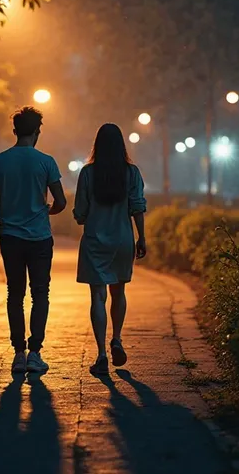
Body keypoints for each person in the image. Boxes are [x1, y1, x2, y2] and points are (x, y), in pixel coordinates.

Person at [0, 106, 66, 375]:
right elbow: (61, 202)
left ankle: (18, 353)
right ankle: (35, 353)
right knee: (40, 294)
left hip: (10, 238)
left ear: (15, 131)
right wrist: (46, 211)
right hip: (40, 238)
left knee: (14, 294)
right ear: (37, 131)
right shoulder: (47, 161)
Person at [73, 123, 147, 376]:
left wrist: (83, 215)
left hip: (95, 240)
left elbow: (80, 213)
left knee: (98, 297)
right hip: (123, 239)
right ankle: (117, 338)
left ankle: (102, 354)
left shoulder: (87, 173)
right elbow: (137, 206)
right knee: (119, 292)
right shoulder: (132, 173)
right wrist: (142, 238)